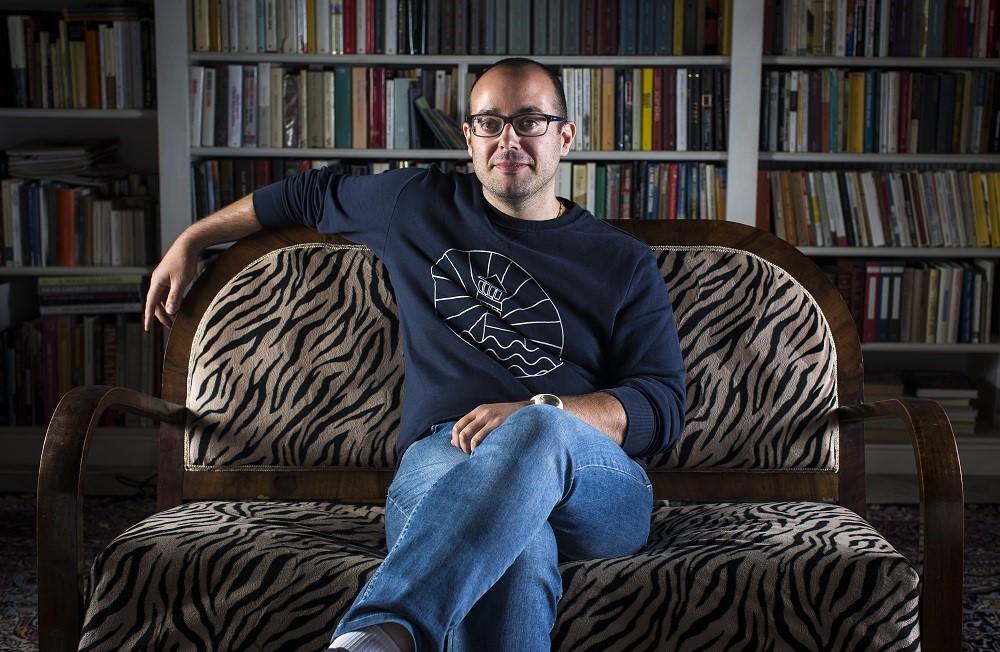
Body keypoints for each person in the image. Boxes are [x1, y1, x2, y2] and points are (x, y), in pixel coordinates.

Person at [144, 57, 686, 652]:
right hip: (445, 451)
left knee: (540, 425)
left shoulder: (622, 261)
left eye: (530, 122)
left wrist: (541, 414)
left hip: (592, 485)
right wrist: (192, 238)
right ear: (469, 138)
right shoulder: (416, 203)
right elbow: (303, 194)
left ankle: (380, 633)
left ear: (565, 136)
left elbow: (661, 404)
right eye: (490, 123)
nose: (508, 140)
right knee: (516, 549)